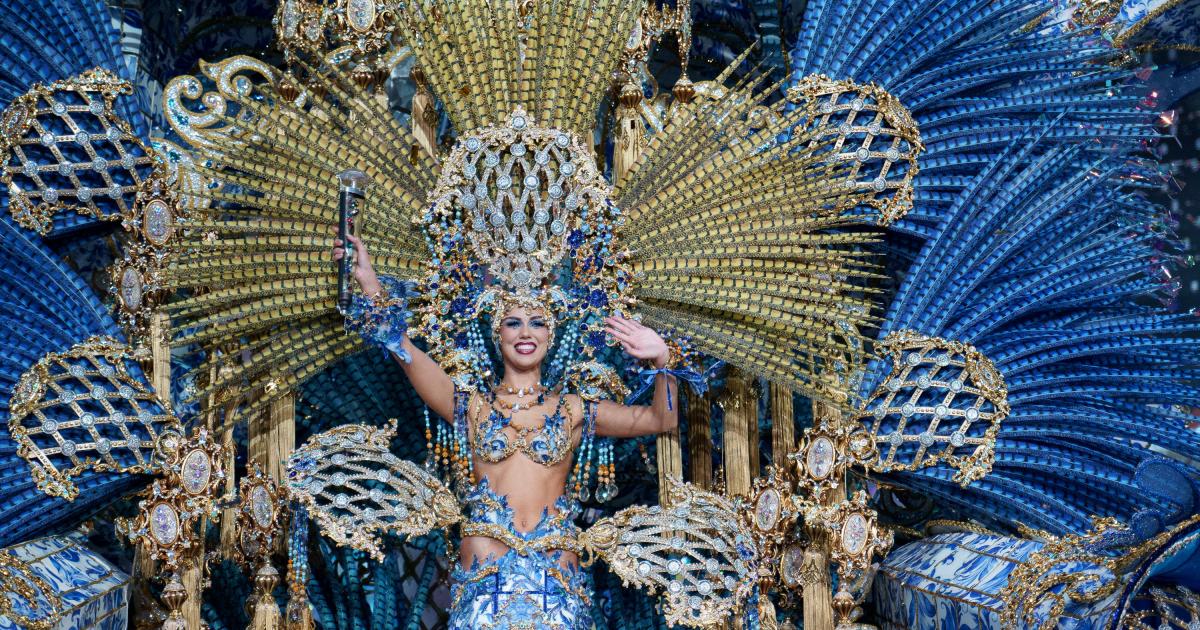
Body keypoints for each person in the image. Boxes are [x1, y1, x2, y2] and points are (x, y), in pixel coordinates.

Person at [333, 231, 679, 629]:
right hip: (484, 586)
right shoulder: (472, 406)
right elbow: (402, 348)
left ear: (551, 334)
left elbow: (661, 420)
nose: (525, 333)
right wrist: (369, 282)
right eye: (513, 323)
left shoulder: (573, 410)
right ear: (498, 335)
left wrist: (663, 361)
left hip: (556, 585)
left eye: (537, 323)